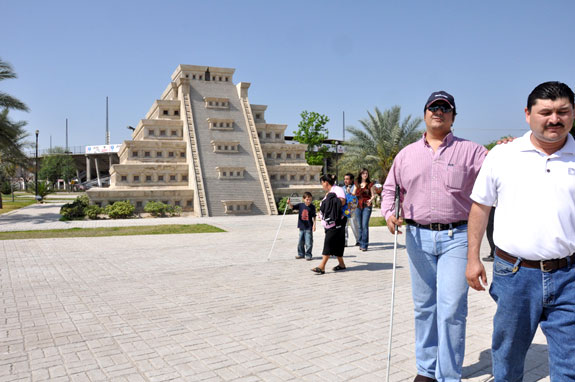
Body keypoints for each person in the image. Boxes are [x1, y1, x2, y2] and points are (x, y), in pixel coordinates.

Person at [466, 81, 575, 381]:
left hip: (569, 275)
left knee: (570, 362)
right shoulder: (502, 155)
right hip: (514, 274)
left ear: (573, 113)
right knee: (508, 355)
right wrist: (472, 258)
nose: (555, 119)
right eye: (546, 112)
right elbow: (480, 207)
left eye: (563, 111)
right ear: (528, 114)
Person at [381, 90, 487, 382]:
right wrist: (389, 213)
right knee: (424, 307)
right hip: (417, 238)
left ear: (453, 116)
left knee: (451, 308)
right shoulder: (406, 155)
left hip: (458, 236)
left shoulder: (474, 152)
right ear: (425, 113)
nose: (438, 111)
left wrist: (505, 149)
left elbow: (497, 176)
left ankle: (448, 375)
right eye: (433, 107)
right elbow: (390, 190)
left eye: (445, 107)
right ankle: (427, 370)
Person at [312, 174, 347, 274]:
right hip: (329, 223)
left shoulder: (337, 190)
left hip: (335, 222)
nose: (322, 185)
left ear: (326, 182)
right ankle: (341, 264)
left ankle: (322, 266)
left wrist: (330, 200)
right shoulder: (330, 192)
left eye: (322, 183)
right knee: (337, 243)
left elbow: (343, 201)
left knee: (328, 242)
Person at [289, 192, 316, 261]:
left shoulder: (312, 207)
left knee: (308, 242)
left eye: (310, 199)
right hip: (301, 227)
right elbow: (292, 207)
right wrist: (289, 203)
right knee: (300, 242)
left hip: (309, 227)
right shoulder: (300, 205)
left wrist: (314, 225)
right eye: (307, 199)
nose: (309, 201)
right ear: (303, 199)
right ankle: (301, 254)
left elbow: (314, 217)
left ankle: (308, 255)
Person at [354, 168, 375, 251]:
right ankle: (360, 242)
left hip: (367, 206)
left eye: (366, 173)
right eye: (363, 173)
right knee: (359, 226)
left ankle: (364, 245)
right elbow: (353, 193)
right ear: (360, 174)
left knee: (364, 225)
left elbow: (373, 195)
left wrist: (370, 200)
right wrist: (349, 191)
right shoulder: (357, 184)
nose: (365, 175)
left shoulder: (370, 184)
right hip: (358, 206)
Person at [343, 173, 359, 247]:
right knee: (344, 225)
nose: (345, 180)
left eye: (347, 179)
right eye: (344, 179)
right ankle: (345, 242)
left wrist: (350, 192)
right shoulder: (342, 188)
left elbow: (355, 198)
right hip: (345, 209)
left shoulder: (355, 187)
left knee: (354, 224)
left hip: (353, 209)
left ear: (351, 180)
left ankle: (358, 240)